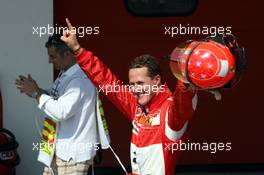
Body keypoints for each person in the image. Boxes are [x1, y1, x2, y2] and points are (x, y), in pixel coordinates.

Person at [61, 18, 198, 175]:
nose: (135, 89)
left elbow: (184, 100)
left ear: (156, 81)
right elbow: (106, 80)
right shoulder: (137, 105)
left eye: (140, 83)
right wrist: (77, 49)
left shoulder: (171, 111)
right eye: (132, 84)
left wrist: (187, 75)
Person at [15, 34, 100, 175]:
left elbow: (61, 112)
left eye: (53, 56)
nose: (49, 61)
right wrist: (35, 90)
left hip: (72, 155)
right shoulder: (65, 74)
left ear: (67, 54)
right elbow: (55, 98)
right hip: (58, 150)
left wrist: (37, 94)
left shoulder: (79, 80)